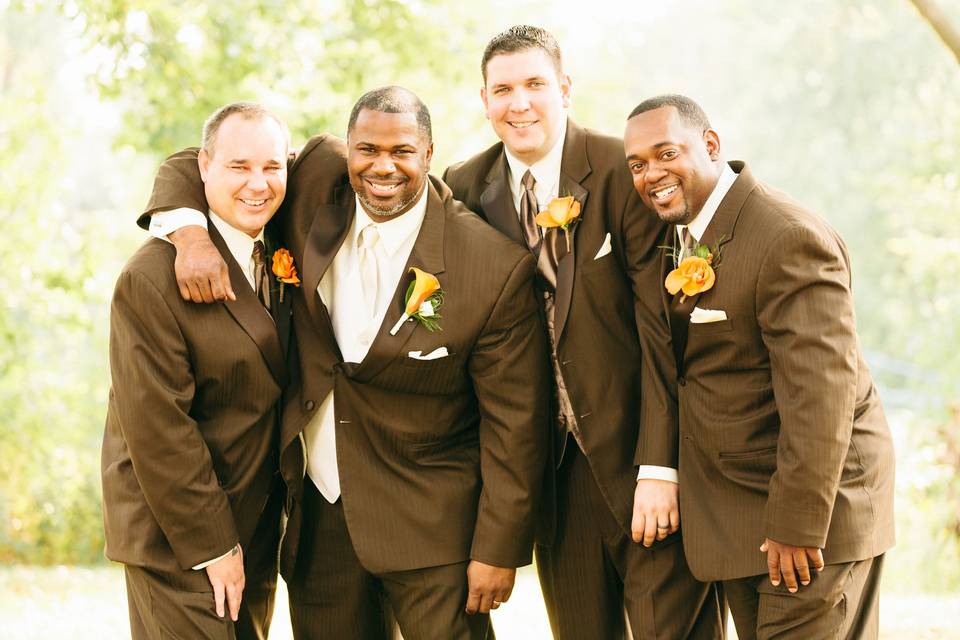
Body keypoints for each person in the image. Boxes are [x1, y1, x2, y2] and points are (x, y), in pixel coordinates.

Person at [139, 86, 550, 639]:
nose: (383, 166)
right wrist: (189, 235)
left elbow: (516, 423)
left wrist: (498, 548)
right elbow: (196, 162)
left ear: (429, 155)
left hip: (434, 530)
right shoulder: (313, 183)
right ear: (349, 149)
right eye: (367, 151)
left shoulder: (492, 267)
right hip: (320, 521)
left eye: (403, 152)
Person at [442, 25, 724, 639]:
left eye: (536, 84)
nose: (520, 103)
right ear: (484, 100)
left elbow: (661, 334)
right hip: (551, 476)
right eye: (504, 89)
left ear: (565, 89)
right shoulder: (464, 188)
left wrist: (660, 469)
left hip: (641, 462)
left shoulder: (624, 171)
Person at [623, 94, 896, 639]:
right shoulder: (682, 238)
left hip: (811, 524)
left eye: (666, 153)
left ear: (711, 145)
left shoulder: (786, 237)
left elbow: (822, 396)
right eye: (637, 164)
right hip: (742, 518)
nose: (652, 173)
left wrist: (797, 524)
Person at [101, 101, 292, 639]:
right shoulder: (150, 279)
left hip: (252, 519)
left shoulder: (277, 242)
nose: (258, 184)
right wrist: (213, 547)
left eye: (271, 167)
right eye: (238, 167)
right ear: (203, 167)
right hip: (177, 534)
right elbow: (159, 427)